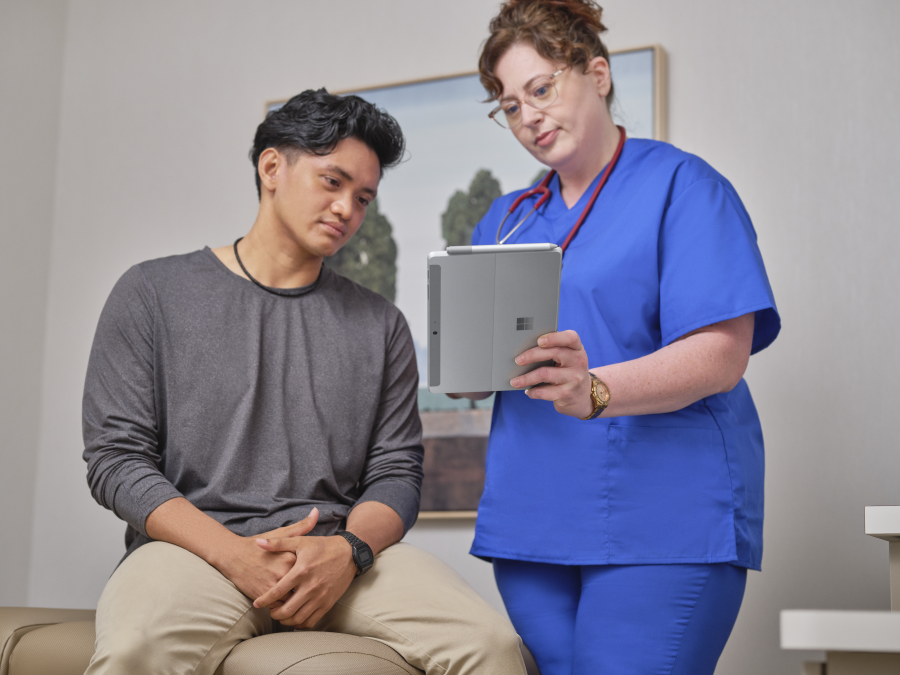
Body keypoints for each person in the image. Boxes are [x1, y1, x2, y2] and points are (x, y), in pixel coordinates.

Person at [81, 88, 527, 675]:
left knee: (492, 646)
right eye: (332, 181)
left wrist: (348, 551)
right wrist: (234, 555)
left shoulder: (381, 324)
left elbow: (397, 474)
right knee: (136, 649)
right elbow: (116, 461)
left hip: (343, 560)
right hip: (191, 553)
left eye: (363, 197)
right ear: (273, 167)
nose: (348, 209)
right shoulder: (151, 293)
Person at [456, 1, 781, 673]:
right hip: (534, 522)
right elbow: (477, 366)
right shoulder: (507, 219)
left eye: (541, 88)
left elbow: (723, 353)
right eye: (510, 105)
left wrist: (597, 387)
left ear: (597, 73)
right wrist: (463, 360)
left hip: (665, 512)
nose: (529, 116)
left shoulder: (684, 187)